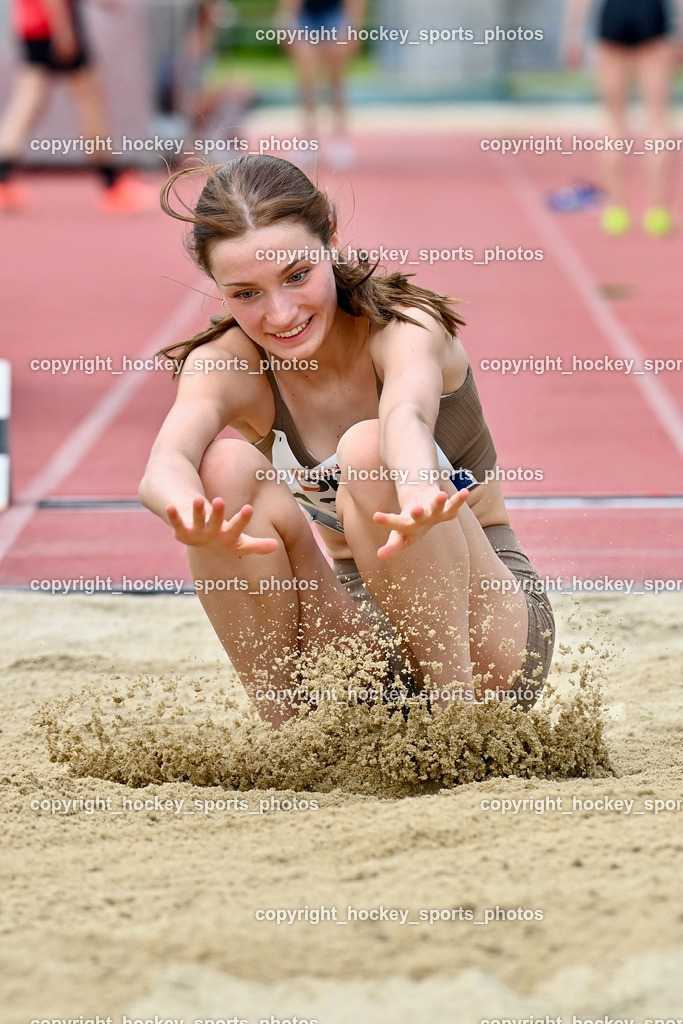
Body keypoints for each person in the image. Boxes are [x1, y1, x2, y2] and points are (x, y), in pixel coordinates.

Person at [139, 155, 555, 729]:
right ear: (218, 289)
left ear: (331, 242)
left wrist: (417, 491)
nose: (281, 314)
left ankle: (457, 733)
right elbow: (165, 463)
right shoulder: (226, 366)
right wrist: (189, 515)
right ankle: (287, 735)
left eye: (296, 276)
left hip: (481, 625)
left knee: (367, 448)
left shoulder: (405, 328)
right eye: (246, 294)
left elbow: (405, 417)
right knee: (220, 472)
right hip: (356, 629)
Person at [0, 0, 154, 212]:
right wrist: (63, 29)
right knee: (89, 100)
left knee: (29, 100)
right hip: (52, 23)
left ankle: (2, 177)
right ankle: (111, 184)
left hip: (34, 25)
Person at [564, 0, 683, 236]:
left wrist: (572, 36)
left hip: (615, 15)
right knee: (658, 118)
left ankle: (617, 210)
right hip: (651, 14)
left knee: (613, 120)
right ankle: (657, 212)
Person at [274, 0, 365, 167]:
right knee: (307, 79)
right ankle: (308, 138)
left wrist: (352, 30)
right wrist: (286, 24)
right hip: (306, 17)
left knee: (336, 80)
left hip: (334, 15)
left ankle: (340, 138)